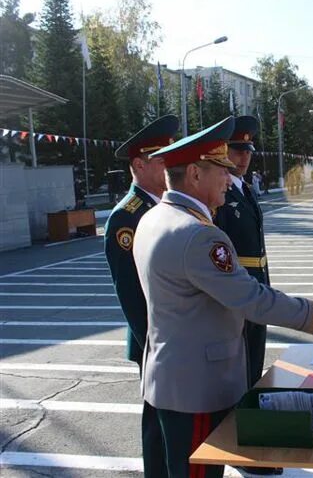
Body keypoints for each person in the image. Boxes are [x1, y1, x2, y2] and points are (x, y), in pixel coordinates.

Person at [133, 116, 313, 478]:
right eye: (220, 170)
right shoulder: (199, 236)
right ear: (194, 175)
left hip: (173, 379)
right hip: (197, 388)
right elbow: (254, 299)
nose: (229, 178)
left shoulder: (154, 218)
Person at [104, 114, 179, 478]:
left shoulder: (166, 206)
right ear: (139, 164)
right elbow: (131, 295)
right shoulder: (126, 218)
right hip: (154, 339)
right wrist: (153, 344)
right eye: (163, 158)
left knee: (178, 423)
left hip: (177, 336)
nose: (171, 165)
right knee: (157, 424)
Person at [212, 116, 279, 477]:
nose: (243, 157)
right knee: (237, 375)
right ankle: (241, 452)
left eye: (247, 150)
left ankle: (250, 443)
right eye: (237, 150)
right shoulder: (221, 195)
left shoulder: (245, 188)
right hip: (239, 296)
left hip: (257, 290)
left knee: (253, 369)